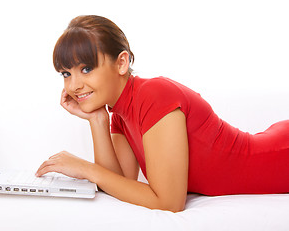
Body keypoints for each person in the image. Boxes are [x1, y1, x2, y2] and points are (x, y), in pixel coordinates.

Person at [35, 15, 289, 212]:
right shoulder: (120, 112)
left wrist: (85, 168)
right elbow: (119, 181)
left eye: (86, 68)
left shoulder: (153, 95)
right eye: (66, 73)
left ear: (122, 63)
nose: (74, 85)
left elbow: (169, 202)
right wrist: (97, 119)